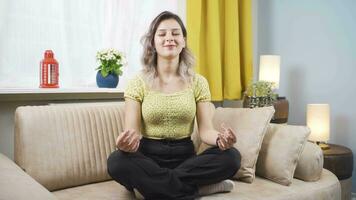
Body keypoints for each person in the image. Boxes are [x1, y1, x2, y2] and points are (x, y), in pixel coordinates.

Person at [107, 11, 241, 200]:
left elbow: (205, 132)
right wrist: (126, 143)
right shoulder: (137, 82)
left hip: (185, 159)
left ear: (184, 40)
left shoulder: (198, 82)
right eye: (162, 34)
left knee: (232, 157)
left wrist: (221, 139)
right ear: (153, 42)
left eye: (175, 33)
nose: (169, 38)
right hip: (148, 159)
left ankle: (151, 188)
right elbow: (133, 133)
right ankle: (197, 189)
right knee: (117, 161)